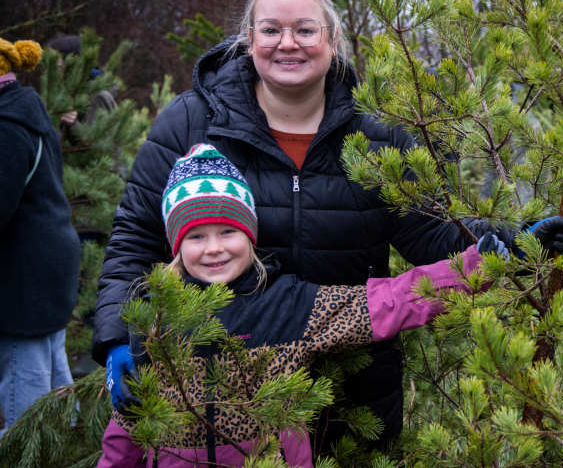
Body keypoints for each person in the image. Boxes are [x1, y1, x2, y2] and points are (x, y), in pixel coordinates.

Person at [93, 0, 563, 450]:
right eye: (271, 30)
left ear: (332, 37)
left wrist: (510, 243)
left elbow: (427, 232)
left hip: (357, 390)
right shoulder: (192, 122)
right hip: (223, 395)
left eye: (305, 29)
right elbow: (136, 237)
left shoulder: (378, 131)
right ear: (249, 37)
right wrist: (117, 336)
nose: (288, 43)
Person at [97, 144, 500, 467]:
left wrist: (475, 266)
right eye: (196, 237)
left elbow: (387, 302)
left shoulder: (287, 305)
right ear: (176, 246)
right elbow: (126, 431)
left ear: (250, 235)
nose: (214, 248)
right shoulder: (155, 318)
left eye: (227, 231)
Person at [0, 37, 81, 437]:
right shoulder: (26, 113)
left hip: (24, 275)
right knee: (50, 361)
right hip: (48, 262)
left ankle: (29, 449)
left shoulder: (7, 128)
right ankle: (70, 437)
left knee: (24, 386)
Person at [46, 34, 119, 143]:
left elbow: (98, 148)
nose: (50, 66)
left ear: (71, 62)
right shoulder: (63, 94)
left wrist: (73, 123)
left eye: (55, 61)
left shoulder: (99, 96)